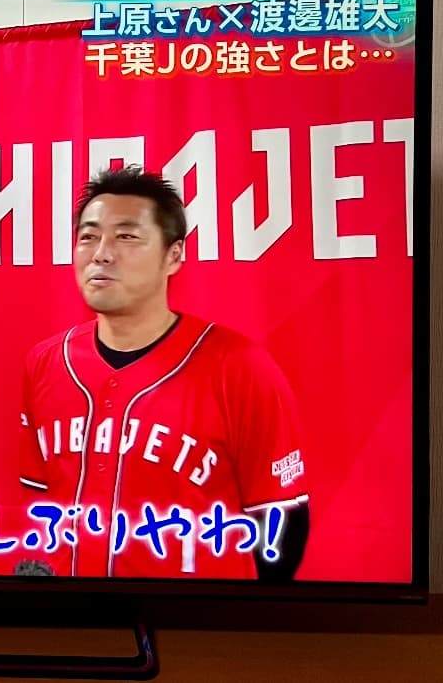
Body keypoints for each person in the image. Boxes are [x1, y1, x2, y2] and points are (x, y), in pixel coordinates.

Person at [17, 165, 309, 580]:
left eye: (126, 236)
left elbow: (282, 521)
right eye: (88, 236)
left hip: (189, 616)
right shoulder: (44, 363)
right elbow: (41, 501)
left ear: (174, 255)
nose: (101, 253)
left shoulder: (240, 367)